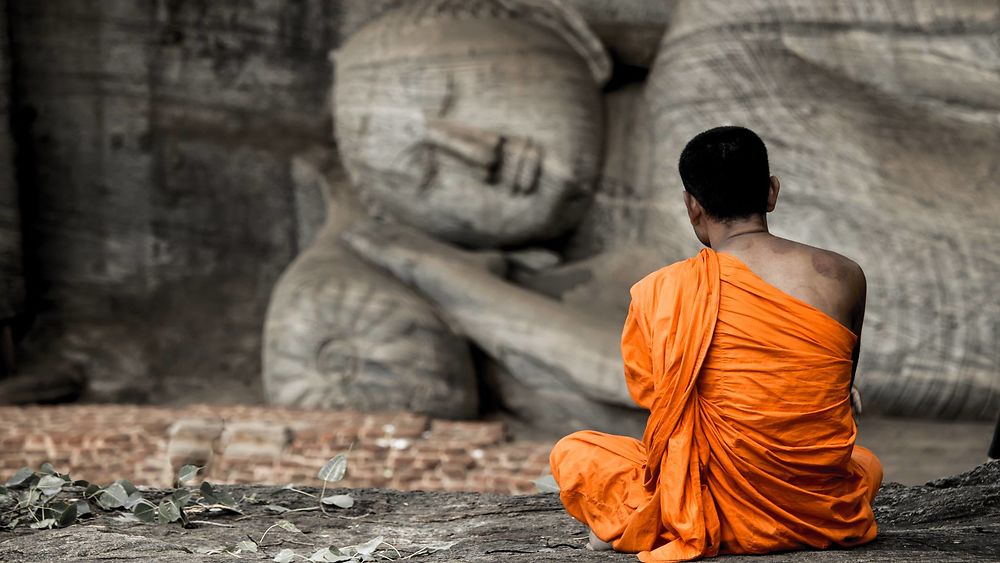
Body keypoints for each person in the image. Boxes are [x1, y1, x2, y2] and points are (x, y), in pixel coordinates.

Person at [549, 126, 882, 561]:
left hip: (699, 503)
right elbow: (841, 384)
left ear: (692, 205)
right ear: (771, 193)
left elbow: (658, 399)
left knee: (575, 452)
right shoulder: (843, 275)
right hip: (815, 511)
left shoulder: (658, 291)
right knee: (866, 464)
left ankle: (644, 520)